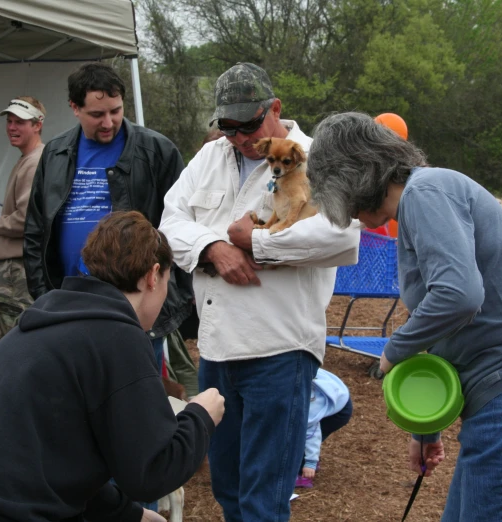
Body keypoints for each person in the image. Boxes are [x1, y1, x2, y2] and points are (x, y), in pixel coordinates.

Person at [306, 112, 502, 522]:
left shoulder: (426, 192)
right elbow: (448, 324)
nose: (346, 214)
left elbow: (459, 295)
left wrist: (394, 350)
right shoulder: (422, 203)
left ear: (350, 178)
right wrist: (427, 430)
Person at [0, 211, 225, 522]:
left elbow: (53, 456)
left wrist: (126, 514)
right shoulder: (118, 335)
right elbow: (152, 473)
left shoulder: (49, 320)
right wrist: (200, 415)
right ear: (153, 276)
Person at [160, 62, 359, 522]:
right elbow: (169, 223)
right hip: (217, 351)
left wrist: (259, 245)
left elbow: (343, 238)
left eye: (247, 125)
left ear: (275, 108)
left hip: (280, 349)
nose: (238, 137)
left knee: (264, 500)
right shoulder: (209, 158)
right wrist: (214, 248)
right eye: (227, 127)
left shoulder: (317, 155)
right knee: (228, 488)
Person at [24, 62, 193, 372]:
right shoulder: (56, 152)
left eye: (115, 111)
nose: (108, 122)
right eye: (97, 114)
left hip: (136, 303)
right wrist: (42, 295)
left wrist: (167, 304)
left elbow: (183, 226)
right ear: (74, 107)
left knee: (137, 394)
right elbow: (37, 229)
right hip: (70, 298)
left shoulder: (157, 151)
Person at [0, 96, 46, 348]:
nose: (12, 127)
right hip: (14, 265)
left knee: (7, 344)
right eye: (9, 121)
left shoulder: (34, 161)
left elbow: (27, 219)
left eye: (20, 122)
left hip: (20, 270)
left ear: (38, 124)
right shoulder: (27, 159)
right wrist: (1, 260)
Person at [295, 368, 352, 489]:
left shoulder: (308, 408)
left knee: (300, 438)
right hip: (334, 393)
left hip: (339, 410)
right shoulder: (299, 369)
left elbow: (311, 435)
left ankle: (304, 474)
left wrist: (310, 463)